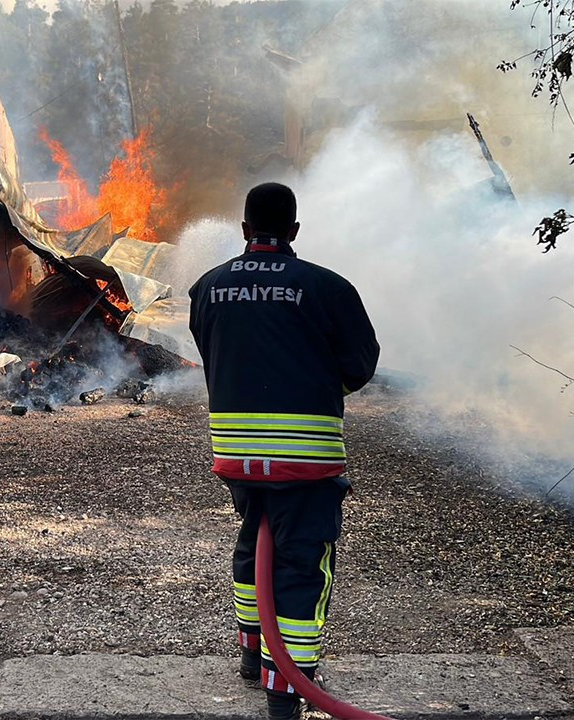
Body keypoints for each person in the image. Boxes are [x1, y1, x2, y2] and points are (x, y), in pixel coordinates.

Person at [188, 182, 379, 720]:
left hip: (235, 454)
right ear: (294, 231)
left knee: (255, 537)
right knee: (301, 562)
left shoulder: (207, 287)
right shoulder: (328, 288)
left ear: (245, 229)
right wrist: (316, 381)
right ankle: (285, 692)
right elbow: (360, 367)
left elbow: (215, 355)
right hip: (305, 458)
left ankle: (252, 655)